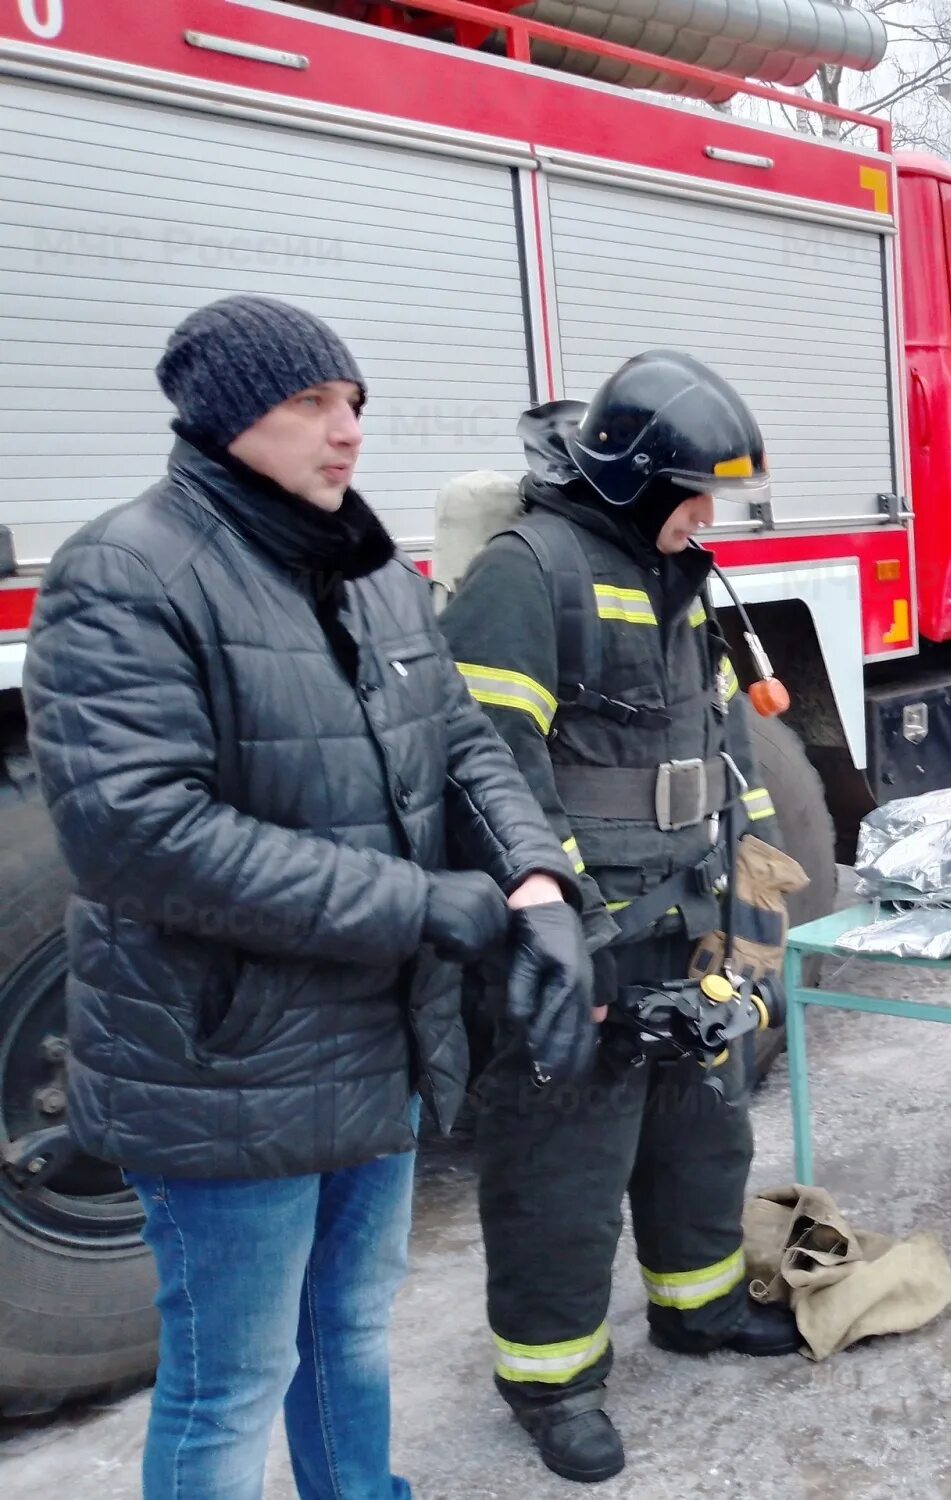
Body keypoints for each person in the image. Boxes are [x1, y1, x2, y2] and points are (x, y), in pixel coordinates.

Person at [21, 295, 591, 1500]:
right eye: (310, 404)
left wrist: (535, 882)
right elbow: (140, 835)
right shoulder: (124, 571)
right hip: (221, 1061)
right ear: (227, 419)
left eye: (354, 404)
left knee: (347, 1340)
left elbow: (460, 744)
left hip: (372, 1042)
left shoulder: (369, 567)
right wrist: (423, 907)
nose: (347, 433)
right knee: (230, 1381)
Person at [439, 351, 800, 1482]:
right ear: (638, 480)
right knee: (564, 1163)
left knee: (704, 1124)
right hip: (580, 934)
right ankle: (551, 1382)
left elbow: (722, 742)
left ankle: (696, 1308)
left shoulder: (674, 572)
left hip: (691, 915)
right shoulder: (527, 573)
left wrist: (755, 892)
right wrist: (571, 938)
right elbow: (492, 774)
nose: (707, 517)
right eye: (694, 494)